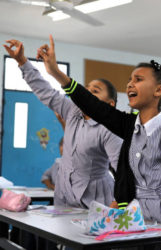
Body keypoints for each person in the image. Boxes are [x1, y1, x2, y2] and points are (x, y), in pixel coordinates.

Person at [35, 35, 161, 248]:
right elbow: (94, 106)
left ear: (159, 90)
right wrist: (55, 73)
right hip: (136, 218)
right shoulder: (128, 126)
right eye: (130, 79)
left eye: (138, 79)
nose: (130, 84)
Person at [4, 39, 123, 209]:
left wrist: (119, 202)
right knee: (59, 233)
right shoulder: (73, 110)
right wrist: (22, 61)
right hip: (64, 192)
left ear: (110, 104)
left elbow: (124, 171)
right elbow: (45, 90)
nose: (87, 93)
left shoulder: (109, 129)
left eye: (95, 91)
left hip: (97, 199)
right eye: (86, 88)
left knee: (87, 235)